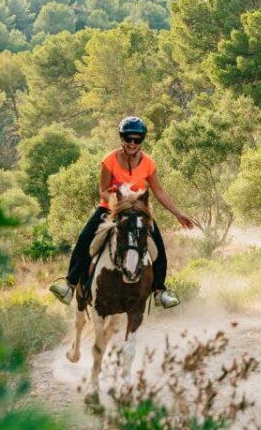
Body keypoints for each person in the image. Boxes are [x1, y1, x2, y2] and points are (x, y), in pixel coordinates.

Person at [49, 116, 194, 308]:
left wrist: (178, 213)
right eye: (128, 139)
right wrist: (117, 204)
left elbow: (158, 191)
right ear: (122, 138)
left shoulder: (149, 163)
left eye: (137, 139)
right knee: (84, 240)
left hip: (139, 210)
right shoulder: (109, 160)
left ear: (142, 140)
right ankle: (70, 285)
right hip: (109, 207)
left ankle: (160, 291)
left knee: (158, 248)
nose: (133, 143)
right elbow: (102, 190)